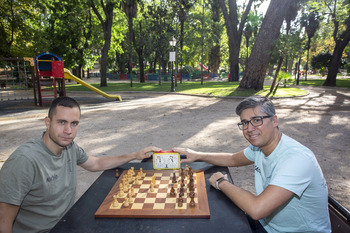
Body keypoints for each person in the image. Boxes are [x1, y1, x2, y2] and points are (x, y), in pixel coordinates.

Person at [0, 96, 161, 233]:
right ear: (47, 122)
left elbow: (96, 163)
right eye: (62, 122)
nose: (68, 130)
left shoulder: (70, 147)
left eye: (74, 123)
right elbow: (3, 219)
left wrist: (134, 155)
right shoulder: (24, 160)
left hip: (69, 223)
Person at [174, 95, 331, 233]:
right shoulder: (259, 147)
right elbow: (233, 159)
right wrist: (198, 155)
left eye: (257, 120)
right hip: (267, 224)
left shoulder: (296, 159)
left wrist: (221, 182)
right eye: (244, 123)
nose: (249, 128)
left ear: (274, 120)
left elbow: (257, 209)